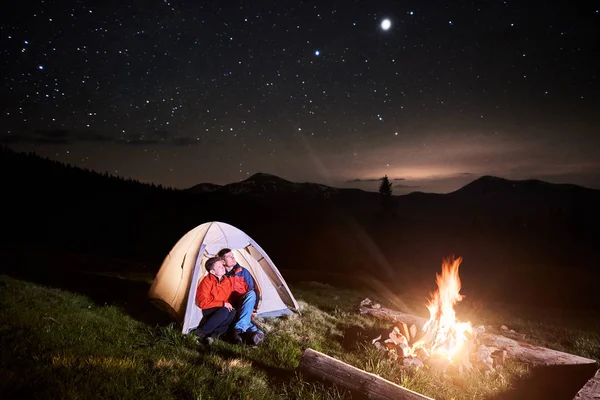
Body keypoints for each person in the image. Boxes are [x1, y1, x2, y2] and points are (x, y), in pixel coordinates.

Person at [217, 248, 265, 346]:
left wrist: (253, 309)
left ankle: (237, 330)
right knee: (244, 319)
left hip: (243, 304)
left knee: (251, 294)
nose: (233, 257)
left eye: (232, 255)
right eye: (229, 256)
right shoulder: (220, 274)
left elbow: (254, 290)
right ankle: (255, 334)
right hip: (229, 307)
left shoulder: (243, 272)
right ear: (223, 261)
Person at [193, 256, 236, 345]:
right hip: (208, 308)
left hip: (220, 307)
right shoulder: (207, 281)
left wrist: (227, 304)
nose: (223, 268)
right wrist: (223, 304)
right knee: (224, 311)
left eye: (222, 266)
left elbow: (226, 298)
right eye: (219, 267)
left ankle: (213, 336)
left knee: (232, 311)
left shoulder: (226, 281)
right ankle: (200, 333)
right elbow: (203, 303)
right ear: (212, 272)